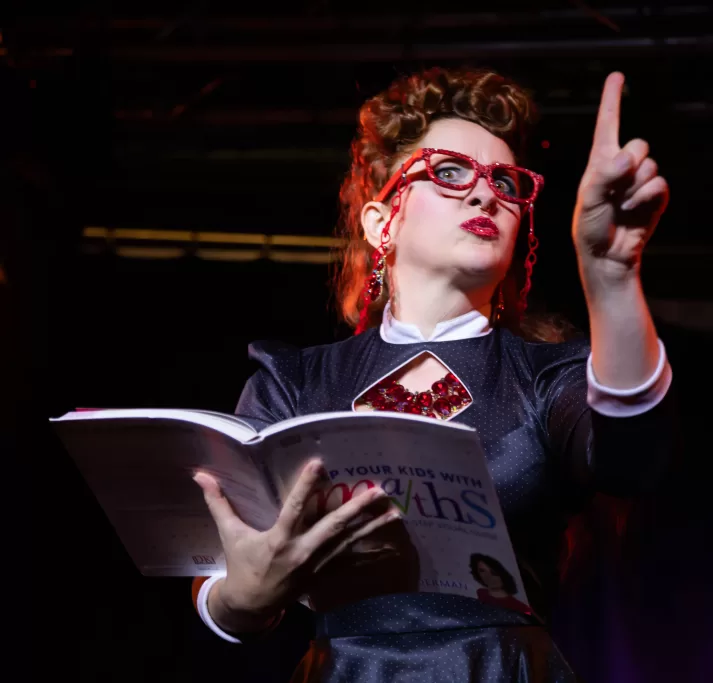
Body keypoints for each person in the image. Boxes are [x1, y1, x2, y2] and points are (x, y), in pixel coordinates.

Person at [190, 66, 676, 682]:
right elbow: (216, 569)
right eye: (449, 173)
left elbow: (633, 460)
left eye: (505, 181)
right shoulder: (294, 381)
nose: (484, 195)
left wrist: (610, 277)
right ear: (380, 222)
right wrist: (241, 599)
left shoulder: (548, 376)